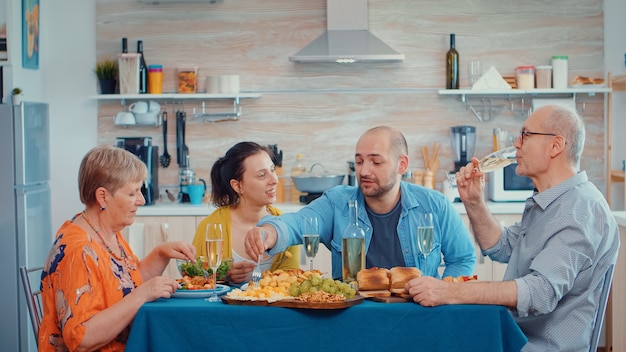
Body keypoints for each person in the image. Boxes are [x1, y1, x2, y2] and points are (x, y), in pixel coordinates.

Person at [406, 105, 620, 351]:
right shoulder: (550, 201)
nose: (516, 144)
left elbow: (540, 293)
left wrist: (450, 291)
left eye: (525, 135)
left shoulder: (580, 209)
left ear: (556, 146)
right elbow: (500, 246)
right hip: (515, 336)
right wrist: (474, 201)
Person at [244, 126, 476, 280]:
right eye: (359, 161)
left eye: (376, 162)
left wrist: (443, 292)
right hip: (351, 319)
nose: (364, 170)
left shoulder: (435, 205)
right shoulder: (337, 202)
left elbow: (463, 259)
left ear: (402, 165)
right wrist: (269, 232)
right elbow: (298, 222)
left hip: (417, 316)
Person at [38, 145, 196, 351]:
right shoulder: (78, 250)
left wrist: (161, 253)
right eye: (133, 193)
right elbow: (82, 340)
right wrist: (142, 295)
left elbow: (123, 285)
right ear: (103, 197)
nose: (142, 200)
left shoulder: (106, 232)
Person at [192, 141, 300, 284]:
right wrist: (222, 276)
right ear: (238, 186)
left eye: (272, 170)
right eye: (262, 175)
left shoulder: (286, 225)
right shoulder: (211, 226)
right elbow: (194, 280)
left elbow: (291, 281)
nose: (274, 180)